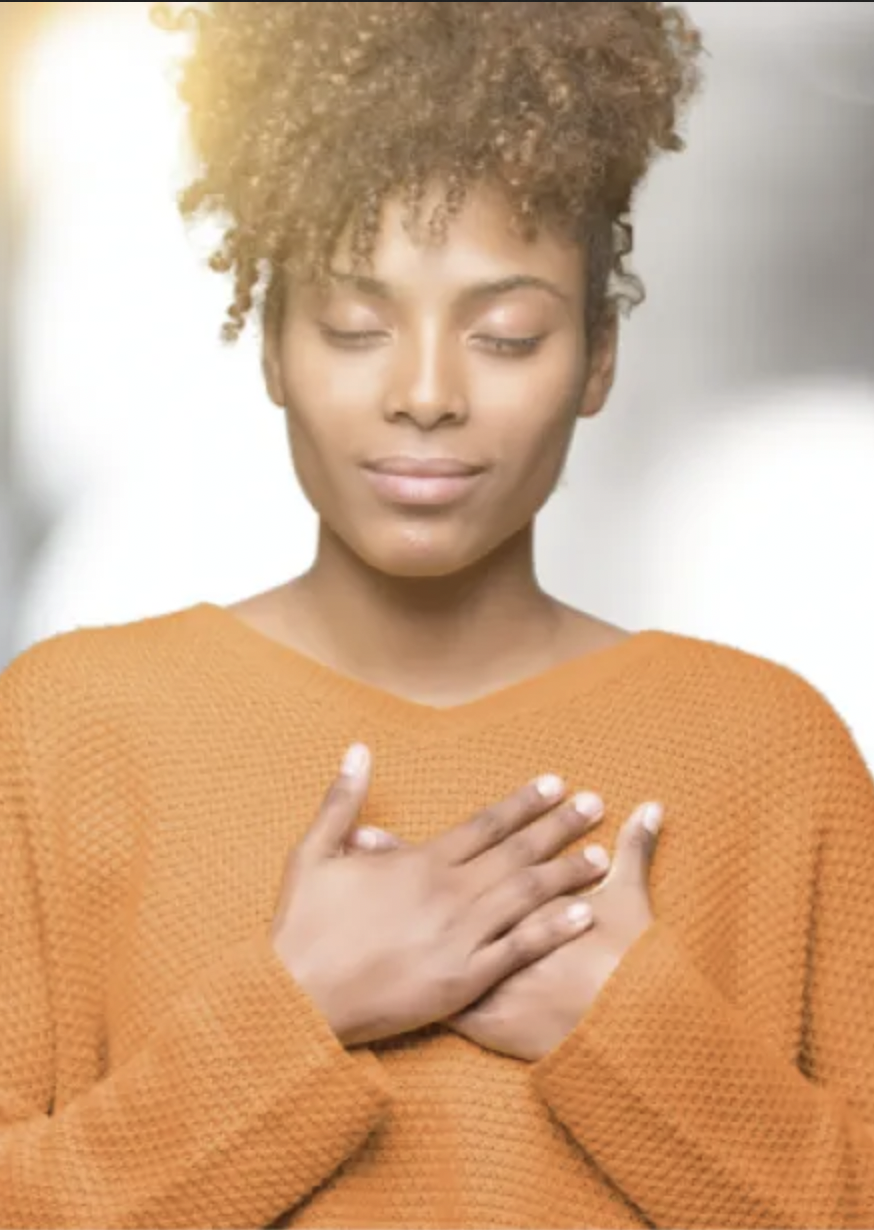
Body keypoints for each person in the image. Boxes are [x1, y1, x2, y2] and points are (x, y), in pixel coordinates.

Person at [1, 2, 873, 1227]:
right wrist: (296, 1008)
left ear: (598, 358)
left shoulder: (771, 754)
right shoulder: (64, 734)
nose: (424, 394)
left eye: (505, 335)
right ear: (267, 347)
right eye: (355, 327)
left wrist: (625, 1030)